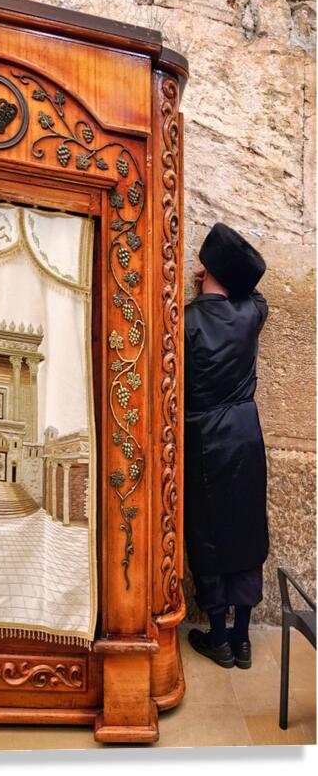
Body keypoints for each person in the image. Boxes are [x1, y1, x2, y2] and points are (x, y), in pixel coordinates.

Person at [184, 222, 269, 670]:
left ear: (206, 270)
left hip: (204, 439)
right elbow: (255, 289)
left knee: (209, 534)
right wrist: (224, 273)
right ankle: (242, 639)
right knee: (246, 529)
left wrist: (208, 281)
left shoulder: (186, 320)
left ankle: (218, 638)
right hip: (245, 434)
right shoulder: (250, 313)